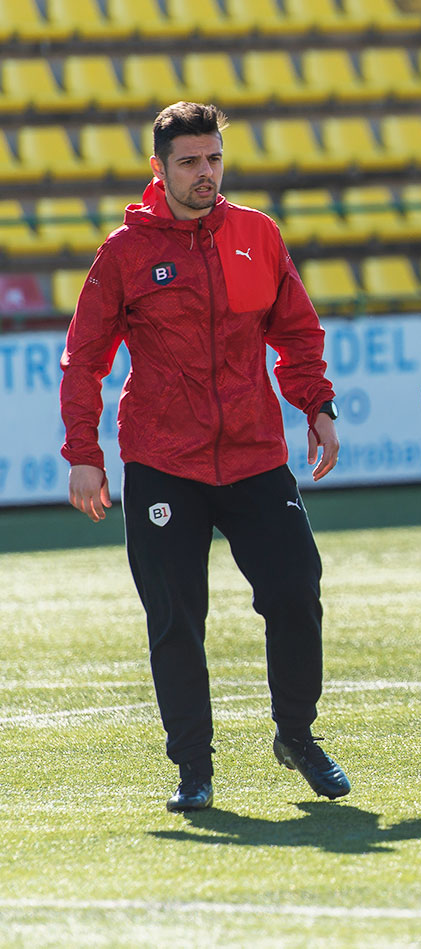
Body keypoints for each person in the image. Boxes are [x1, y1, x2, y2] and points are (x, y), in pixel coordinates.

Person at [59, 101, 351, 812]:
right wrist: (83, 453)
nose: (205, 174)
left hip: (254, 455)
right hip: (163, 461)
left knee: (295, 591)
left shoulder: (257, 234)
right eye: (189, 162)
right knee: (176, 616)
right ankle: (194, 767)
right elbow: (83, 360)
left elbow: (298, 331)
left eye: (214, 159)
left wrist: (317, 406)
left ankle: (297, 735)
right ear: (158, 168)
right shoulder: (124, 253)